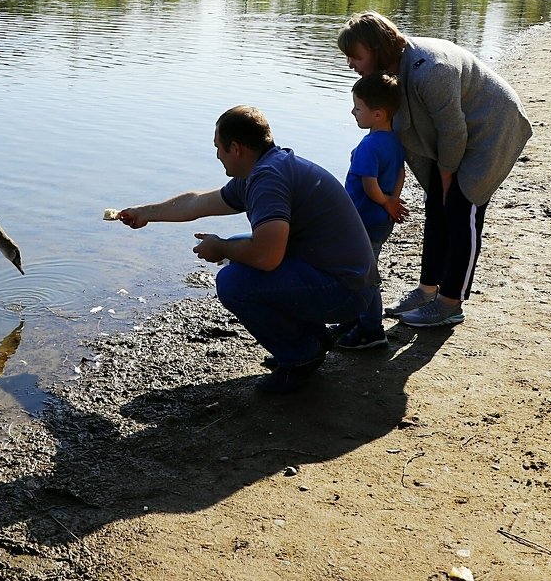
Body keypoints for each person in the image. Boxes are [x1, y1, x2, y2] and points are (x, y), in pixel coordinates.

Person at [117, 105, 376, 393]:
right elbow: (197, 203)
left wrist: (221, 248)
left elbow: (267, 258)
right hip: (346, 279)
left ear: (236, 148)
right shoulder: (265, 167)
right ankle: (310, 339)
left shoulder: (268, 179)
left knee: (234, 281)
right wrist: (145, 213)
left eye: (219, 148)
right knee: (243, 247)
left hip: (347, 292)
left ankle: (301, 357)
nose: (217, 155)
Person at [337, 11, 532, 329]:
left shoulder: (430, 71)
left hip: (493, 128)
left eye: (355, 56)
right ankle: (427, 292)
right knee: (436, 207)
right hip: (461, 131)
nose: (350, 64)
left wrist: (445, 175)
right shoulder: (393, 68)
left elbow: (453, 132)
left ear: (377, 48)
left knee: (460, 208)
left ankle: (450, 304)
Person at [334, 71, 407, 350]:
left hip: (363, 218)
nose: (353, 111)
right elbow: (399, 172)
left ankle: (371, 329)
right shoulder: (394, 139)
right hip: (380, 219)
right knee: (364, 267)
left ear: (378, 114)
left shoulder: (369, 144)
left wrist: (386, 201)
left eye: (358, 107)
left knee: (365, 274)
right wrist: (393, 200)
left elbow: (368, 184)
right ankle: (356, 317)